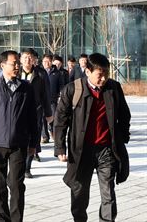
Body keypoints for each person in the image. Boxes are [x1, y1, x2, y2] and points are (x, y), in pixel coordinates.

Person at [54, 53, 131, 222]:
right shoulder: (73, 89)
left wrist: (122, 137)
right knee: (79, 193)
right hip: (81, 151)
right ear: (87, 71)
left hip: (106, 150)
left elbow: (125, 115)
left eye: (106, 74)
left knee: (108, 192)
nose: (103, 78)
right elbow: (60, 121)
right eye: (99, 74)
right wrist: (60, 148)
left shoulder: (114, 88)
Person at [0, 50, 38, 222]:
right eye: (14, 63)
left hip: (19, 145)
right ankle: (3, 218)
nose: (18, 66)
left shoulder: (26, 89)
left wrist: (34, 143)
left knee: (17, 185)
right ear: (2, 65)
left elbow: (33, 119)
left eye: (18, 63)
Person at [20, 48, 52, 178]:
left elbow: (46, 95)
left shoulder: (41, 74)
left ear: (34, 60)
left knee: (33, 139)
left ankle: (27, 168)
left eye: (30, 57)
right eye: (25, 57)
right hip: (18, 112)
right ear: (21, 59)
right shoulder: (15, 73)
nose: (28, 60)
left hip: (35, 111)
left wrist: (48, 113)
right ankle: (19, 165)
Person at [47, 55, 69, 139]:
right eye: (56, 64)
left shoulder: (63, 72)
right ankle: (46, 134)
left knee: (55, 115)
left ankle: (54, 131)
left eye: (59, 64)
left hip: (57, 97)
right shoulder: (47, 72)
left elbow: (65, 84)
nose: (57, 66)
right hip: (48, 97)